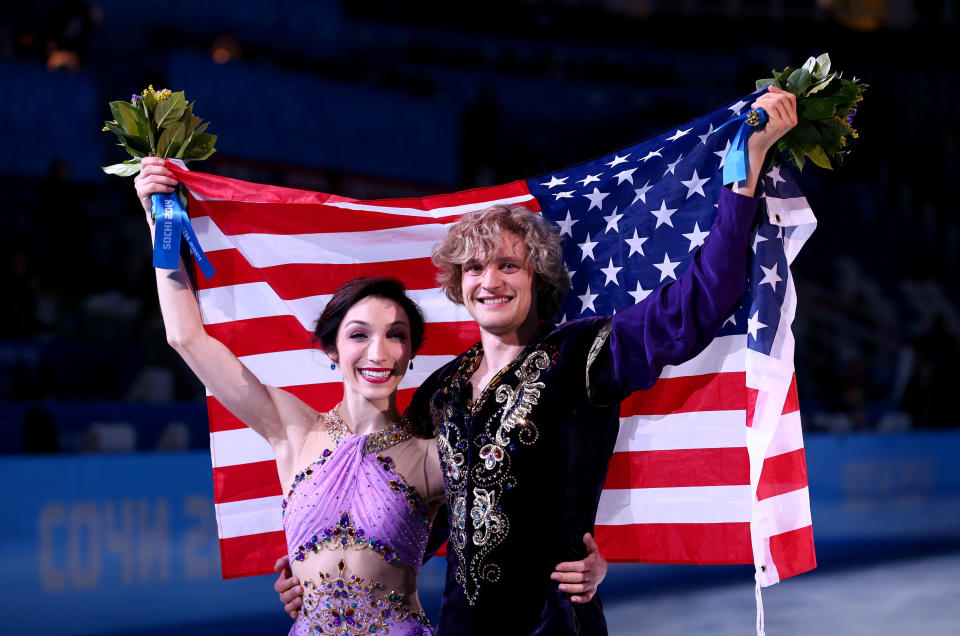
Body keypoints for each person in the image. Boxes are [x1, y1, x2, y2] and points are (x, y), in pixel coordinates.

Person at [274, 87, 797, 633]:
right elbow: (397, 512)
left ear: (536, 277)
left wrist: (746, 167)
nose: (489, 281)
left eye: (507, 266)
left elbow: (699, 302)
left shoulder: (586, 353)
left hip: (552, 625)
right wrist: (317, 569)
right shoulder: (442, 390)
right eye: (474, 268)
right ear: (457, 283)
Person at [134, 160, 609, 634]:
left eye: (396, 336)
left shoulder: (432, 454)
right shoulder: (291, 428)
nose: (378, 352)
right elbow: (185, 337)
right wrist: (161, 220)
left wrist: (585, 563)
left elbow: (527, 509)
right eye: (359, 335)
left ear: (409, 354)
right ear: (331, 348)